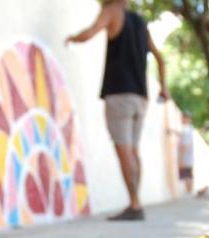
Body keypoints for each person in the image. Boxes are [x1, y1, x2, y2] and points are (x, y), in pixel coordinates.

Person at [66, 0, 168, 221]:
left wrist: (72, 38)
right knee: (133, 151)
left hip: (119, 92)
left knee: (124, 151)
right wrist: (164, 88)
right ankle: (136, 201)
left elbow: (89, 33)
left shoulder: (111, 12)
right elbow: (161, 59)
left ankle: (134, 203)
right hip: (141, 96)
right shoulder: (141, 23)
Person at [177, 112, 194, 194]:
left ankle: (188, 192)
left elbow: (185, 144)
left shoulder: (186, 129)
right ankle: (189, 191)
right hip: (188, 156)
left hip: (186, 156)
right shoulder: (189, 129)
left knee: (187, 175)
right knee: (188, 174)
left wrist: (182, 157)